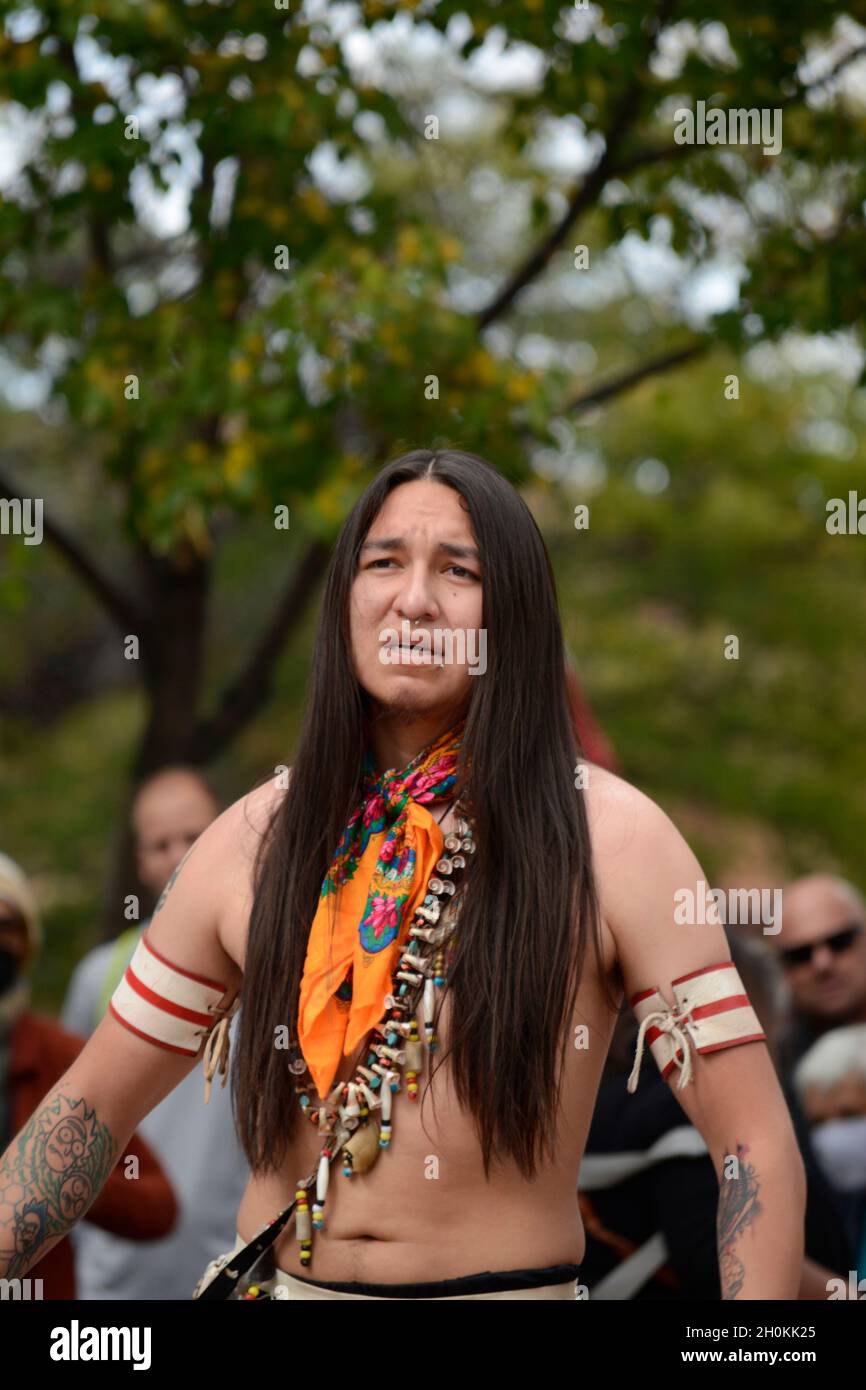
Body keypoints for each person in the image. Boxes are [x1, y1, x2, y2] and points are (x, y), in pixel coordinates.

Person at [0, 448, 805, 1301]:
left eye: (458, 570)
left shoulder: (613, 839)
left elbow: (753, 1143)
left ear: (514, 616)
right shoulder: (251, 840)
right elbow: (84, 1116)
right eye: (383, 562)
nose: (413, 599)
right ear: (345, 598)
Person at [61, 766, 251, 1299]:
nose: (177, 856)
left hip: (238, 1274)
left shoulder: (270, 966)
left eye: (193, 836)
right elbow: (69, 1128)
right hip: (115, 1286)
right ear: (138, 860)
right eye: (158, 843)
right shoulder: (100, 978)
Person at [0, 852, 177, 1298]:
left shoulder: (56, 1056)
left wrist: (65, 1182)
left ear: (25, 943)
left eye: (6, 926)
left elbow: (157, 1203)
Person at [770, 875, 866, 1076]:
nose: (822, 963)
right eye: (801, 954)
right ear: (782, 967)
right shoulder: (770, 1069)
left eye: (840, 941)